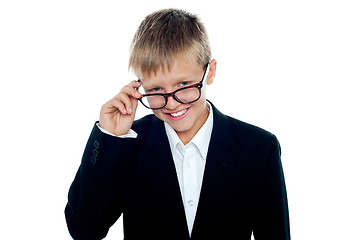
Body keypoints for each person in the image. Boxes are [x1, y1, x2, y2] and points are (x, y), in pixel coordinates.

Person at [65, 8, 290, 240]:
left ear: (209, 72)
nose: (172, 104)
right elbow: (84, 229)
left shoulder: (259, 148)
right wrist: (109, 137)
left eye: (184, 84)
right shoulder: (128, 143)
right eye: (155, 90)